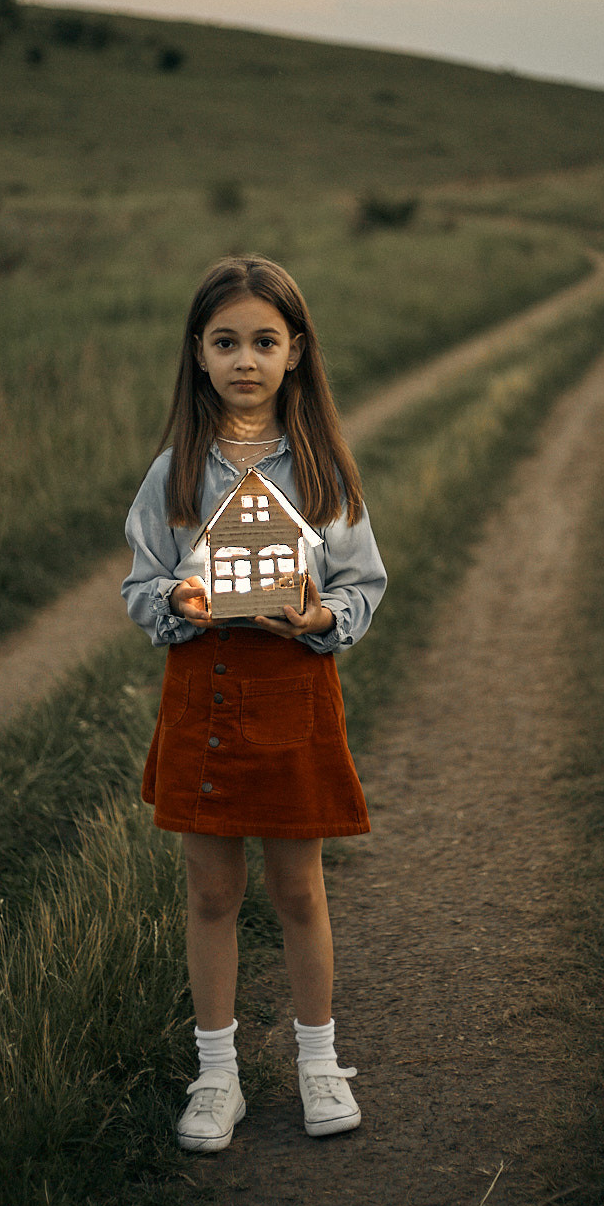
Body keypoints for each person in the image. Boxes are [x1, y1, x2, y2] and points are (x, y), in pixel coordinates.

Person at [123, 255, 386, 1153]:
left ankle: (320, 1063)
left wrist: (323, 619)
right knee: (210, 892)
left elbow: (362, 584)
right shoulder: (174, 473)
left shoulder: (322, 472)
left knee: (299, 891)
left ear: (296, 352)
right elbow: (141, 584)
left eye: (264, 342)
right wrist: (176, 605)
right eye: (226, 341)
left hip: (292, 689)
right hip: (203, 691)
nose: (245, 358)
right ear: (198, 354)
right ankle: (218, 1074)